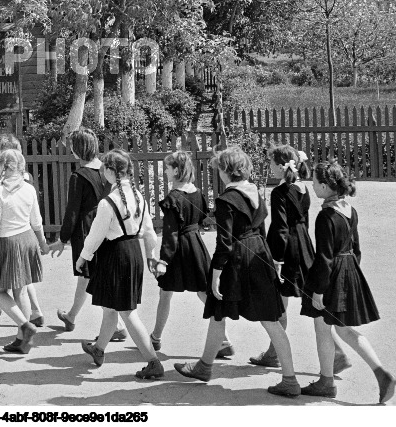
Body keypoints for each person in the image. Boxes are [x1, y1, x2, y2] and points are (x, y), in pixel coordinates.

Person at [174, 146, 300, 397]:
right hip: (259, 253)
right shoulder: (255, 191)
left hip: (237, 259)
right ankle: (289, 378)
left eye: (219, 169)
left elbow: (225, 241)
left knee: (218, 309)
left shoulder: (226, 200)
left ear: (226, 170)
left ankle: (205, 366)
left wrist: (216, 273)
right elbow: (261, 228)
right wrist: (271, 261)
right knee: (269, 320)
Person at [299, 160, 396, 403]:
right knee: (344, 329)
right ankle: (381, 372)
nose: (312, 186)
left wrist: (319, 291)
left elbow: (323, 258)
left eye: (314, 182)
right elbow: (357, 249)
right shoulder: (350, 211)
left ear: (324, 186)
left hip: (329, 276)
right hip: (349, 269)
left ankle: (326, 381)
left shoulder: (325, 216)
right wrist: (350, 275)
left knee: (323, 327)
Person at [253, 145, 350, 373]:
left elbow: (280, 229)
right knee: (308, 299)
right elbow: (300, 222)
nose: (269, 167)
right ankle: (333, 352)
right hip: (305, 246)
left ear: (279, 166)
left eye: (271, 163)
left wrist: (276, 258)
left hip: (287, 252)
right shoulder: (303, 188)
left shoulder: (280, 192)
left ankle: (276, 352)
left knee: (279, 302)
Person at [76, 149, 164, 381]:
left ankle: (153, 361)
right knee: (111, 307)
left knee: (126, 311)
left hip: (116, 255)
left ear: (113, 172)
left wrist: (83, 256)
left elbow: (95, 235)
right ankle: (99, 349)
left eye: (105, 168)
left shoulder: (108, 202)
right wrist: (150, 255)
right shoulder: (139, 196)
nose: (103, 172)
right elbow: (150, 232)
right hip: (133, 252)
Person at [150, 151, 232, 358]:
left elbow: (171, 234)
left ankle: (155, 338)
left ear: (176, 170)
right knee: (204, 292)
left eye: (167, 168)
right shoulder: (196, 192)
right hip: (196, 244)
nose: (166, 172)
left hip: (179, 249)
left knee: (165, 293)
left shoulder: (172, 198)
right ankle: (223, 340)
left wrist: (163, 261)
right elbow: (204, 215)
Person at [50, 128, 120, 336]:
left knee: (88, 274)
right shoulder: (106, 170)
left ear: (79, 149)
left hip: (85, 228)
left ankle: (117, 326)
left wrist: (62, 239)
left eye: (73, 146)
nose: (71, 149)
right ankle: (71, 316)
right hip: (105, 225)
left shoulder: (78, 176)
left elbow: (72, 211)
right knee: (90, 275)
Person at [0, 149, 48, 354]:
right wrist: (43, 243)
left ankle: (24, 326)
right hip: (27, 238)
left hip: (7, 242)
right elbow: (36, 221)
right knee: (21, 289)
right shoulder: (28, 189)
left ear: (2, 167)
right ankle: (22, 340)